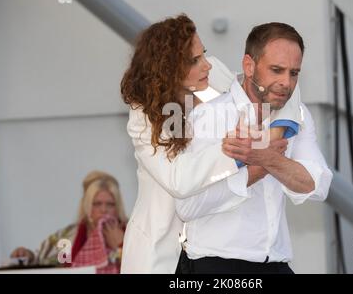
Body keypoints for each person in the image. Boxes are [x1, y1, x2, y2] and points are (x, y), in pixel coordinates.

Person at [119, 14, 299, 273]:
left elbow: (278, 86)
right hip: (162, 255)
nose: (207, 66)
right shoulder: (143, 118)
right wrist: (242, 151)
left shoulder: (211, 78)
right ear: (167, 68)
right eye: (195, 60)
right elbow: (179, 180)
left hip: (218, 253)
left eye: (204, 53)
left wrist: (275, 133)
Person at [174, 22, 333, 274]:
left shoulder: (299, 115)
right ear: (249, 66)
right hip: (214, 265)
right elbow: (187, 206)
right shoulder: (208, 117)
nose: (286, 82)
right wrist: (252, 172)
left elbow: (317, 185)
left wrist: (266, 159)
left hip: (276, 263)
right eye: (276, 70)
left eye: (294, 73)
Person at [10, 170, 127, 273]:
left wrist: (121, 246)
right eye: (97, 204)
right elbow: (45, 263)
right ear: (86, 206)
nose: (103, 210)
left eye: (110, 204)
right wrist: (26, 255)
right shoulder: (68, 237)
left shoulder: (131, 233)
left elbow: (142, 266)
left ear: (118, 207)